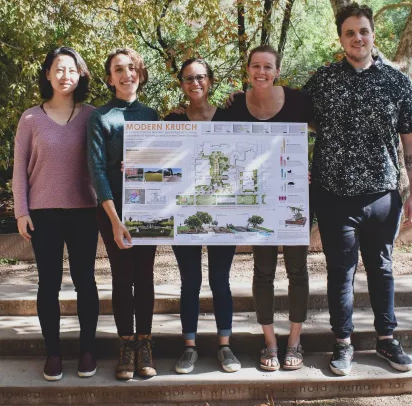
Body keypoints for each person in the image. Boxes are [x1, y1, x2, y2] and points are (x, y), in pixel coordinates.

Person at [306, 3, 412, 376]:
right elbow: (286, 118)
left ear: (373, 35)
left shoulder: (396, 81)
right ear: (340, 38)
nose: (358, 38)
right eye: (349, 32)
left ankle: (386, 339)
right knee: (340, 272)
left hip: (382, 196)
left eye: (363, 31)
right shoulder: (322, 82)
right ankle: (342, 344)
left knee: (382, 268)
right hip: (333, 196)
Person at [12, 47, 99, 381]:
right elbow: (19, 167)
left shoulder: (92, 115)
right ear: (47, 73)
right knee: (48, 283)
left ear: (81, 76)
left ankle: (87, 350)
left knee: (85, 281)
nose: (65, 76)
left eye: (72, 70)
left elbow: (104, 161)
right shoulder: (30, 118)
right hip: (43, 213)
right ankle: (53, 353)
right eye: (58, 69)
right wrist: (21, 211)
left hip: (84, 211)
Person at [224, 45, 310, 371]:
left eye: (268, 67)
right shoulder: (234, 106)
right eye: (256, 66)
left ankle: (295, 341)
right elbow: (207, 141)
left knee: (297, 270)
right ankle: (270, 341)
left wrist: (310, 165)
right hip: (256, 203)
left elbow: (324, 132)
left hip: (294, 200)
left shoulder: (299, 101)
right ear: (247, 70)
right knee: (263, 272)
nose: (261, 72)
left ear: (277, 71)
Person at [165, 58, 241, 374]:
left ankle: (225, 347)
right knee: (190, 281)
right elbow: (158, 161)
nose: (195, 83)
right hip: (184, 214)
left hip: (223, 214)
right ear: (181, 83)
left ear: (209, 81)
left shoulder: (228, 118)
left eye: (200, 77)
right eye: (188, 78)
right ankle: (189, 349)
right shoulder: (171, 119)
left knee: (220, 281)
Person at [87, 48, 159, 380]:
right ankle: (125, 345)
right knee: (122, 277)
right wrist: (115, 221)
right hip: (112, 210)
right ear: (109, 78)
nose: (126, 74)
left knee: (144, 277)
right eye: (118, 69)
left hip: (149, 207)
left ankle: (144, 343)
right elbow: (97, 172)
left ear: (140, 73)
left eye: (131, 68)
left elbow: (166, 164)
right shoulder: (100, 117)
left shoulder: (152, 114)